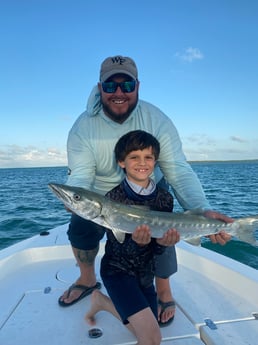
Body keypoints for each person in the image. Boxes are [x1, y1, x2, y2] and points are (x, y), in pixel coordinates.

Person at [58, 55, 232, 326]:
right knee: (80, 224)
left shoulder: (156, 118)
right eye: (110, 85)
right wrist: (75, 198)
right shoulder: (82, 128)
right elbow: (80, 177)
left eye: (126, 85)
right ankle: (87, 279)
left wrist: (202, 210)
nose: (118, 93)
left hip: (148, 184)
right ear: (100, 87)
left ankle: (163, 290)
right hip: (102, 195)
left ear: (137, 86)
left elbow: (178, 170)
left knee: (166, 231)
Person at [85, 130, 180, 344]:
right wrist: (137, 243)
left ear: (155, 161)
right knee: (152, 338)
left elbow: (157, 247)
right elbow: (116, 245)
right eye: (134, 157)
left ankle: (101, 301)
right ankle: (108, 298)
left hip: (145, 275)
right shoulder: (113, 199)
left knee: (144, 331)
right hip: (117, 271)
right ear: (121, 162)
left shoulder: (165, 199)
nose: (142, 163)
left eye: (148, 157)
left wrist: (162, 243)